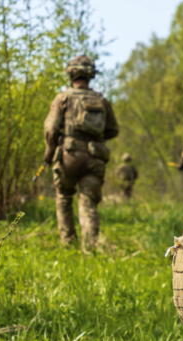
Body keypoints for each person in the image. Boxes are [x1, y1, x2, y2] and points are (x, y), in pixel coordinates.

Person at [43, 55, 119, 250]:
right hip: (95, 159)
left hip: (69, 156)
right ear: (91, 75)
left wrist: (49, 152)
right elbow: (113, 130)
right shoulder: (101, 100)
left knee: (64, 197)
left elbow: (51, 129)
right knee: (88, 202)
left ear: (70, 74)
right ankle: (91, 246)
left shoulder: (63, 98)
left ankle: (68, 243)